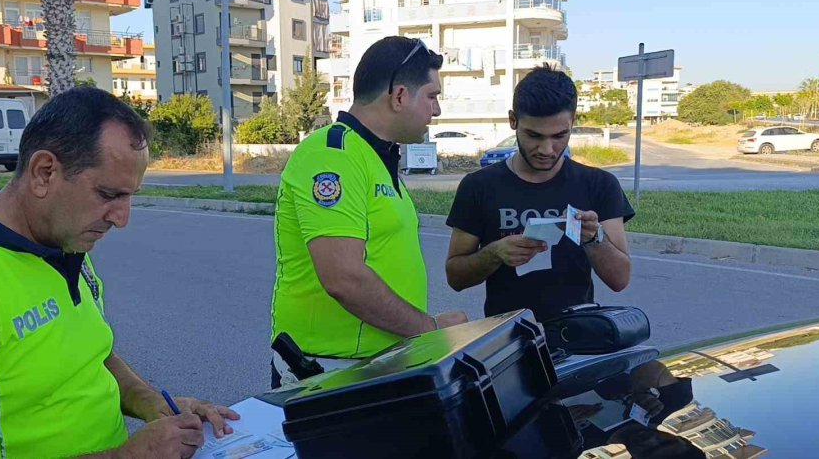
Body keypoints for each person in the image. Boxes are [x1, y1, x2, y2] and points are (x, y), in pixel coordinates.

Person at [0, 87, 238, 458]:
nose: (122, 219)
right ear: (44, 173)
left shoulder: (65, 239)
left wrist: (156, 404)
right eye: (108, 195)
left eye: (129, 196)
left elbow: (94, 355)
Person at [270, 36, 468, 387]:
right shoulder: (332, 155)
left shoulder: (374, 156)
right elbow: (344, 278)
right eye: (432, 96)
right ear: (399, 96)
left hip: (375, 362)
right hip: (328, 370)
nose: (436, 111)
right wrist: (431, 330)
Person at [445, 64, 633, 323]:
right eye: (534, 135)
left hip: (578, 338)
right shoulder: (479, 186)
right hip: (508, 341)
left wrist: (594, 238)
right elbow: (455, 277)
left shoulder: (599, 184)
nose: (547, 149)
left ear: (573, 123)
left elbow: (619, 279)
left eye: (559, 135)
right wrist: (494, 253)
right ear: (513, 121)